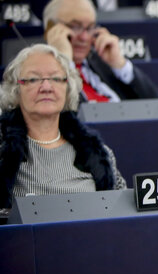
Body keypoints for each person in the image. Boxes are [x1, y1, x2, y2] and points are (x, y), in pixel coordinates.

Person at [0, 44, 126, 211]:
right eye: (33, 79)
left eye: (56, 78)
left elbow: (122, 215)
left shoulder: (100, 154)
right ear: (16, 90)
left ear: (68, 88)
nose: (46, 87)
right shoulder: (3, 150)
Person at [43, 0, 158, 102]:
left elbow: (154, 104)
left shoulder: (101, 62)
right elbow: (67, 117)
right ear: (50, 29)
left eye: (90, 28)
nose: (84, 37)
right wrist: (63, 62)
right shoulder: (38, 74)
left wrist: (120, 65)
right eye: (75, 27)